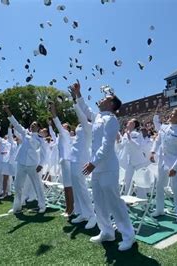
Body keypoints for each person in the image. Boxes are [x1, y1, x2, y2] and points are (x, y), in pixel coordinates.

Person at [73, 81, 136, 252]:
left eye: (104, 98)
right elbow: (86, 110)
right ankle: (107, 231)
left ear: (111, 104)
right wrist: (78, 94)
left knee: (114, 202)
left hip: (107, 167)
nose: (100, 100)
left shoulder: (111, 120)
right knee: (99, 202)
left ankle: (128, 235)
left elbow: (107, 145)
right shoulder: (99, 117)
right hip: (97, 168)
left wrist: (93, 162)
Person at [4, 106, 47, 214]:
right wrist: (8, 111)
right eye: (32, 124)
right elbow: (16, 124)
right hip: (21, 163)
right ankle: (16, 207)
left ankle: (42, 205)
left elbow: (44, 152)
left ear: (39, 128)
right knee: (18, 185)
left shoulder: (40, 139)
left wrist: (41, 164)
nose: (32, 126)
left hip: (33, 165)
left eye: (35, 125)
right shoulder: (25, 133)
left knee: (37, 185)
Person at [150, 108, 177, 222]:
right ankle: (159, 209)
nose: (170, 115)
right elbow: (158, 141)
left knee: (175, 187)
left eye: (173, 114)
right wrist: (153, 152)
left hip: (173, 163)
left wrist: (175, 167)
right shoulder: (164, 127)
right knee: (159, 186)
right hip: (162, 162)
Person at [65, 94, 97, 229]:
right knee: (76, 188)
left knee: (82, 188)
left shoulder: (89, 126)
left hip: (82, 160)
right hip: (73, 158)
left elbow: (82, 118)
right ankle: (82, 213)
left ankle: (91, 215)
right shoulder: (80, 127)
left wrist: (75, 102)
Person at [49, 102, 75, 217]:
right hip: (63, 162)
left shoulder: (65, 134)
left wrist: (53, 110)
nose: (62, 127)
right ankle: (68, 207)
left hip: (67, 162)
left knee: (69, 186)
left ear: (67, 130)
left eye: (64, 126)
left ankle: (71, 208)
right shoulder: (61, 137)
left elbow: (57, 122)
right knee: (66, 186)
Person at [119, 118, 150, 197]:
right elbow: (121, 146)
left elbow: (139, 147)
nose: (128, 122)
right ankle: (126, 198)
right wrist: (117, 141)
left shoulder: (137, 134)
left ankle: (142, 199)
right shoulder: (125, 134)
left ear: (133, 124)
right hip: (130, 161)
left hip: (138, 161)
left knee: (140, 182)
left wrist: (130, 138)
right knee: (128, 180)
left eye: (130, 122)